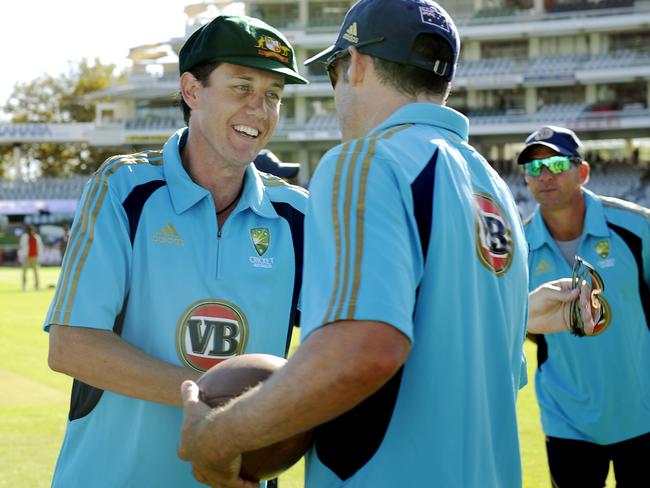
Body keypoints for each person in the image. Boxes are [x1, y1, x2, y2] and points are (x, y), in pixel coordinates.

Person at [178, 1, 532, 486]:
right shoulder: (497, 192)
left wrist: (217, 437)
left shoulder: (365, 162)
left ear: (357, 64)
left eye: (334, 71)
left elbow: (362, 351)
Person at [44, 14, 308, 488]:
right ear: (191, 91)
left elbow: (341, 348)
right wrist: (211, 401)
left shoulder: (299, 215)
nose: (260, 110)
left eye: (273, 96)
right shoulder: (122, 187)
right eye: (241, 87)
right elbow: (72, 346)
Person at [519, 125, 650, 487]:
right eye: (533, 168)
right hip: (567, 421)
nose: (544, 176)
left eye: (557, 164)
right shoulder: (519, 248)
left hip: (644, 416)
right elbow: (517, 323)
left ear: (583, 171)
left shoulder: (637, 227)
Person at [19, 224, 43, 291]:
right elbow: (21, 247)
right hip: (26, 257)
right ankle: (24, 286)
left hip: (34, 257)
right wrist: (21, 256)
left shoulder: (37, 237)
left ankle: (37, 286)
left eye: (32, 231)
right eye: (30, 231)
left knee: (36, 272)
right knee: (24, 272)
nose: (31, 232)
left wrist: (39, 257)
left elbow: (40, 247)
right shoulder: (24, 237)